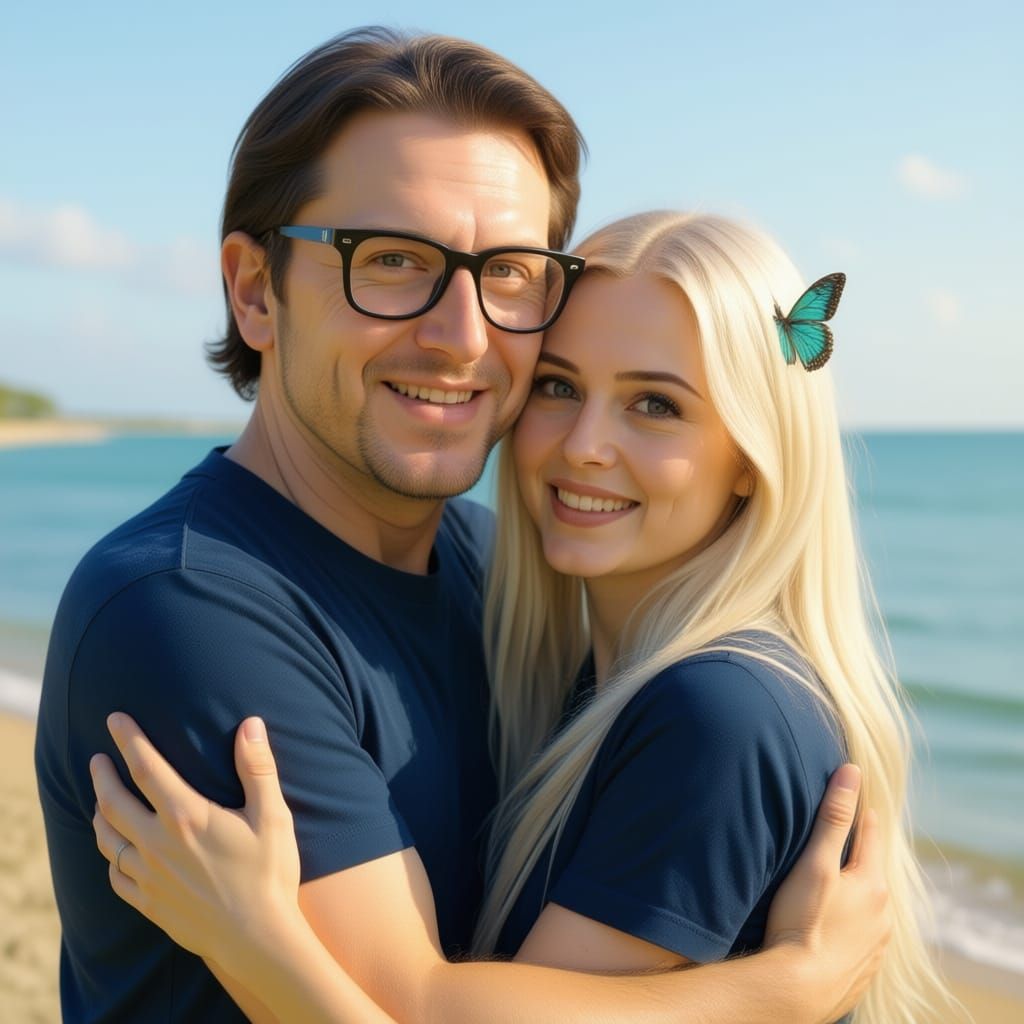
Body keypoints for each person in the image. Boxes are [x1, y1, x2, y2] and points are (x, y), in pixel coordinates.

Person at [38, 27, 887, 1024]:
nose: (464, 337)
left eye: (514, 274)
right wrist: (778, 993)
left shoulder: (493, 581)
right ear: (258, 290)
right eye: (394, 260)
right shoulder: (185, 611)